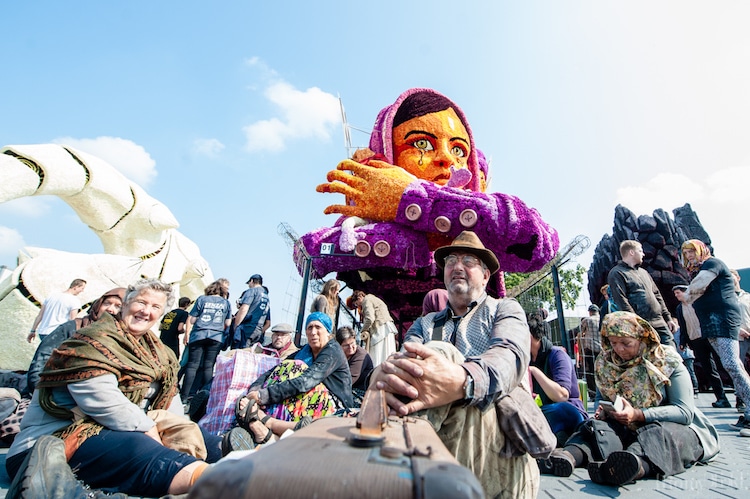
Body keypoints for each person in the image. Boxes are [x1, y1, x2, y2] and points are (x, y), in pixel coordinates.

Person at [300, 88, 559, 327]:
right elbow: (308, 252)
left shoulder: (483, 213)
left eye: (459, 149)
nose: (447, 158)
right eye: (422, 143)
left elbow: (539, 243)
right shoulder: (367, 226)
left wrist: (411, 200)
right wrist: (405, 237)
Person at [6, 278, 252, 497]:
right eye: (141, 303)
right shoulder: (91, 340)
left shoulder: (159, 354)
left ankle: (249, 466)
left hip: (119, 431)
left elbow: (170, 403)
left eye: (155, 307)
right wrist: (151, 431)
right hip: (48, 447)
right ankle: (225, 484)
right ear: (125, 304)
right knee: (146, 450)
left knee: (201, 440)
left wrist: (180, 432)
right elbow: (101, 399)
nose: (146, 311)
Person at [370, 230, 540, 498]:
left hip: (498, 455)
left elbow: (509, 359)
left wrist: (460, 380)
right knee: (397, 367)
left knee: (442, 355)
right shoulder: (423, 324)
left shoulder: (505, 310)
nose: (457, 266)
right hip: (434, 443)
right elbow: (402, 369)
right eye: (451, 261)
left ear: (486, 275)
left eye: (468, 261)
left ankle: (395, 470)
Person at [542, 311, 719, 486]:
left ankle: (633, 465)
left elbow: (684, 412)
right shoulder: (605, 363)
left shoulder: (666, 360)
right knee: (593, 428)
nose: (619, 349)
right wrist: (603, 412)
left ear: (641, 337)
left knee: (658, 435)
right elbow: (602, 398)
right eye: (613, 343)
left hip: (670, 427)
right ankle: (569, 456)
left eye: (626, 343)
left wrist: (639, 415)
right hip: (625, 427)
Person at [234, 312, 353, 445]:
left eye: (318, 327)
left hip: (335, 407)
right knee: (286, 366)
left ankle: (265, 422)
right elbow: (273, 371)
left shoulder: (333, 351)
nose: (313, 332)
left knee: (296, 368)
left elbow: (305, 382)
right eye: (309, 328)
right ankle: (265, 427)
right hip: (310, 399)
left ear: (328, 331)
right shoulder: (305, 351)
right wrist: (254, 392)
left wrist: (263, 396)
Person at [682, 240, 750, 433]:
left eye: (692, 251)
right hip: (710, 322)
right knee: (731, 365)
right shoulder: (701, 268)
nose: (689, 256)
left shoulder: (713, 264)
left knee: (732, 364)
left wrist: (687, 295)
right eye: (686, 253)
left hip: (722, 319)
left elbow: (697, 287)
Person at [26, 287, 126, 394]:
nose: (110, 309)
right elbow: (41, 361)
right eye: (106, 303)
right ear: (98, 305)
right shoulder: (74, 327)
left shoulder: (123, 340)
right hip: (53, 392)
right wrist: (41, 393)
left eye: (118, 306)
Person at [528, 311, 588, 448]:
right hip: (544, 411)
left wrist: (534, 371)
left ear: (530, 336)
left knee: (560, 409)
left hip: (569, 412)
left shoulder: (557, 355)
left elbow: (562, 395)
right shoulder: (526, 359)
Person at [607, 240, 676, 346]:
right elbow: (621, 300)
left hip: (660, 322)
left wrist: (668, 318)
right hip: (641, 326)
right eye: (640, 250)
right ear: (631, 252)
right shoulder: (617, 273)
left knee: (672, 356)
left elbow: (657, 295)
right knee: (650, 359)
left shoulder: (644, 272)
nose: (643, 254)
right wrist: (636, 322)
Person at [673, 284, 730, 407]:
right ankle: (721, 398)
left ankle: (740, 398)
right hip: (695, 340)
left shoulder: (698, 302)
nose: (677, 295)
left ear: (685, 292)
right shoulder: (679, 309)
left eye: (678, 292)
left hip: (710, 336)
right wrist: (683, 342)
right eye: (675, 293)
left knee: (726, 364)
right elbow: (683, 327)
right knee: (709, 369)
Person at [181, 280, 233, 402]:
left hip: (199, 334)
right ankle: (206, 396)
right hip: (216, 337)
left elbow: (192, 319)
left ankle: (184, 397)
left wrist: (189, 331)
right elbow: (228, 322)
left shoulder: (202, 299)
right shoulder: (226, 303)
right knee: (208, 367)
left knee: (192, 366)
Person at [27, 278, 87, 342]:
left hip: (43, 332)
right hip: (58, 333)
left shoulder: (52, 296)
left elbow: (40, 315)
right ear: (76, 287)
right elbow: (72, 320)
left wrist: (33, 330)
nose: (82, 291)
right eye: (82, 288)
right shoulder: (74, 301)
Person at [349, 290, 397, 366]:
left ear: (359, 297)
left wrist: (363, 330)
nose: (357, 306)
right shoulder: (374, 299)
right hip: (387, 328)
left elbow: (370, 318)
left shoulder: (366, 300)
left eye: (356, 303)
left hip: (380, 330)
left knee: (377, 356)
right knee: (387, 355)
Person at [335, 326, 374, 404]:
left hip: (360, 392)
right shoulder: (337, 354)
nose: (350, 347)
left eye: (352, 343)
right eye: (346, 345)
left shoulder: (361, 356)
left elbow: (348, 381)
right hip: (343, 388)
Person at [233, 274, 270, 349]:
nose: (249, 285)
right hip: (258, 330)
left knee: (240, 354)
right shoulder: (266, 296)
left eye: (249, 283)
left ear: (252, 281)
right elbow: (268, 322)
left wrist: (236, 325)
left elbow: (244, 309)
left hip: (247, 328)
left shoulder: (252, 291)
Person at [576, 304, 602, 395]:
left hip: (591, 350)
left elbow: (580, 333)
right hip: (602, 350)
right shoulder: (602, 319)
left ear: (590, 312)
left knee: (590, 372)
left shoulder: (587, 320)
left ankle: (592, 392)